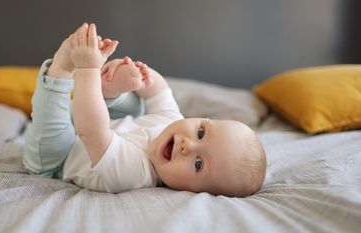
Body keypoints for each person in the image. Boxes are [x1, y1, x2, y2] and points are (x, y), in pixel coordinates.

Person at [23, 22, 266, 197]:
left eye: (199, 164)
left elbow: (92, 132)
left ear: (195, 192)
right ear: (201, 119)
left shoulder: (134, 173)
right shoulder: (173, 120)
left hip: (58, 159)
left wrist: (87, 70)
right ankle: (110, 88)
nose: (188, 145)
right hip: (93, 123)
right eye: (201, 133)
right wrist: (141, 77)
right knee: (136, 103)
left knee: (57, 131)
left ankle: (62, 70)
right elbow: (159, 91)